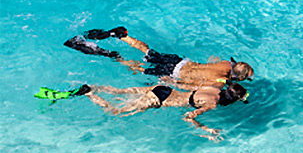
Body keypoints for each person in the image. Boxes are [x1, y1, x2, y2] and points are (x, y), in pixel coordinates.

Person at [35, 82, 249, 139]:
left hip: (163, 89)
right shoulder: (212, 104)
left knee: (120, 92)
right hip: (158, 100)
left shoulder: (214, 88)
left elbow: (186, 87)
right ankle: (88, 94)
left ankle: (93, 87)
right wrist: (205, 129)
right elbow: (187, 116)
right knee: (115, 111)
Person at [64, 27, 254, 89]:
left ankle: (122, 35)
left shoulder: (223, 64)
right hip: (173, 71)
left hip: (181, 61)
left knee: (148, 51)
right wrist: (172, 82)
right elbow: (188, 86)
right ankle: (111, 55)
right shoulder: (218, 83)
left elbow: (213, 59)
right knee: (138, 67)